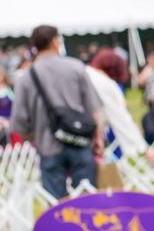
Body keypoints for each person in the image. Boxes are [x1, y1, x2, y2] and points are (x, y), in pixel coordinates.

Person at [10, 25, 103, 199]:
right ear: (54, 41)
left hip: (47, 147)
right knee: (87, 200)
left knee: (55, 206)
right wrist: (98, 138)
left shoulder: (26, 77)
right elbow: (94, 109)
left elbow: (19, 124)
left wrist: (37, 138)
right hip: (80, 141)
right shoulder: (76, 67)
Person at [86, 49, 146, 158]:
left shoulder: (84, 72)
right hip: (88, 134)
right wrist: (142, 147)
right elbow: (120, 116)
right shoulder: (105, 83)